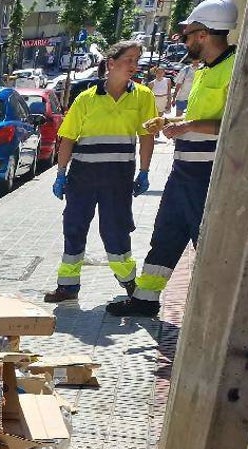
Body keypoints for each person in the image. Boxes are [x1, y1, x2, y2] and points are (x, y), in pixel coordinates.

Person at [109, 0, 238, 316]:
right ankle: (145, 300)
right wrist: (168, 123)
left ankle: (214, 314)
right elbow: (200, 119)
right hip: (184, 170)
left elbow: (235, 125)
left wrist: (188, 125)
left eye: (189, 33)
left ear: (204, 34)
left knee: (206, 245)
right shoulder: (205, 70)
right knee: (166, 233)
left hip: (209, 174)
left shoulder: (234, 70)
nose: (184, 38)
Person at [44, 41, 157, 304]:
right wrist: (61, 173)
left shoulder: (142, 96)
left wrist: (144, 171)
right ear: (111, 64)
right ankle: (68, 286)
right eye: (129, 60)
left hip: (118, 177)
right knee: (74, 228)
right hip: (83, 176)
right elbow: (68, 138)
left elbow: (147, 136)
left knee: (116, 230)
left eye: (136, 60)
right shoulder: (86, 98)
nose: (134, 66)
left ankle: (129, 283)